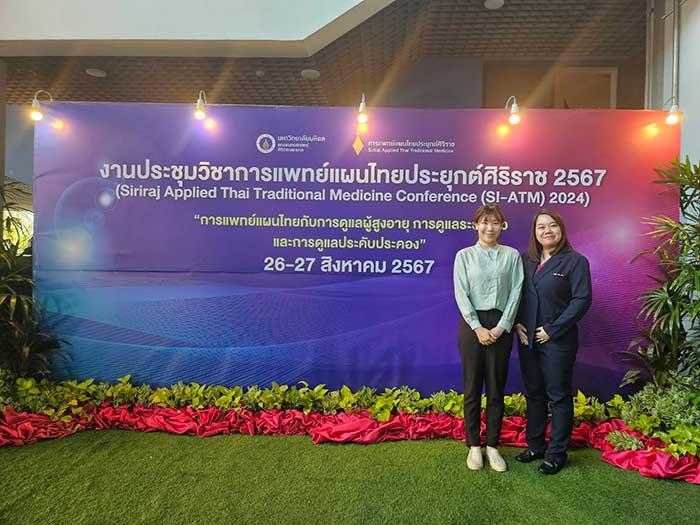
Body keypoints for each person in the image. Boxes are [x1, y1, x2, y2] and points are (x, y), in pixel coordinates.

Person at [514, 209, 592, 475]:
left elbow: (581, 300)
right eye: (541, 227)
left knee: (558, 396)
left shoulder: (575, 261)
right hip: (527, 339)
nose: (547, 230)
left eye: (552, 225)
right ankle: (535, 446)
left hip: (558, 341)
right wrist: (517, 323)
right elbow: (516, 295)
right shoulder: (526, 260)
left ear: (561, 229)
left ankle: (556, 454)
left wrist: (552, 330)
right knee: (534, 393)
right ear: (534, 233)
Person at [454, 204, 523, 472]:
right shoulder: (464, 256)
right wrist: (477, 327)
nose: (489, 227)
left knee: (496, 388)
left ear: (502, 226)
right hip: (472, 326)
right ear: (476, 225)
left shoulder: (511, 256)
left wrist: (502, 326)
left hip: (501, 325)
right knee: (472, 387)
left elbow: (516, 292)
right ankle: (474, 445)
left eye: (495, 222)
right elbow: (461, 293)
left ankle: (492, 446)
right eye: (484, 222)